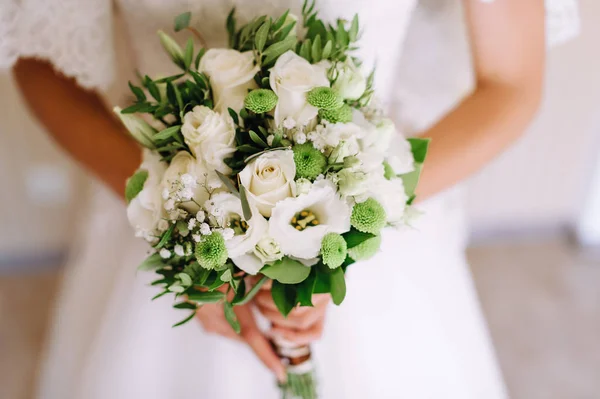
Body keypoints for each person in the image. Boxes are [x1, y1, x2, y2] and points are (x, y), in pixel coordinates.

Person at [1, 0, 577, 397]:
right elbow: (36, 60)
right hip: (167, 234)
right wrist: (182, 214)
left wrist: (345, 223)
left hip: (374, 238)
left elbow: (511, 83)